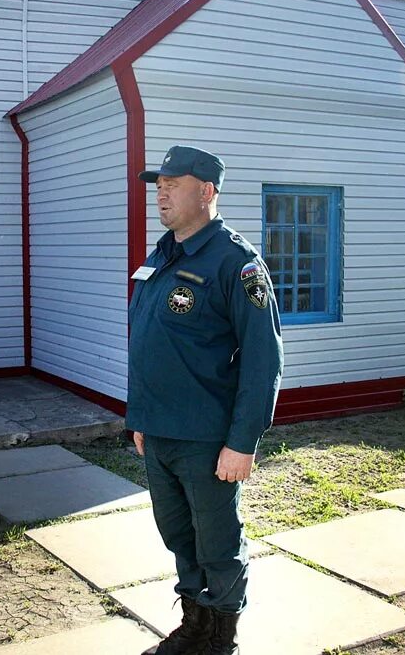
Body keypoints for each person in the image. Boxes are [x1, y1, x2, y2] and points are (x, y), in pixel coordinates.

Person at [128, 145, 284, 655]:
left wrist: (242, 441)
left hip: (206, 438)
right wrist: (140, 419)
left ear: (208, 191)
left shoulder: (236, 264)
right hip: (159, 432)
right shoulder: (163, 255)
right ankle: (193, 628)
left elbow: (263, 360)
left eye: (174, 183)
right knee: (179, 536)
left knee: (216, 543)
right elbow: (149, 342)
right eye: (159, 184)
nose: (162, 192)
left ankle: (219, 641)